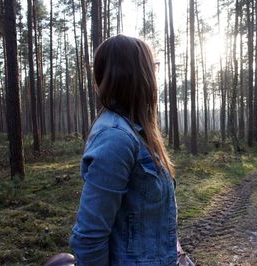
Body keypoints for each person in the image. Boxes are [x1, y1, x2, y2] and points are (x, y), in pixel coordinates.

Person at [70, 35, 193, 266]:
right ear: (138, 75)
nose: (156, 77)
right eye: (152, 67)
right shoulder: (116, 138)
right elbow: (90, 237)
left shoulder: (136, 132)